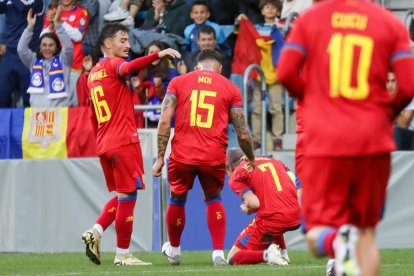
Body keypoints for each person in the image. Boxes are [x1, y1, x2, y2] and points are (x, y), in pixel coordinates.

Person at [277, 0, 414, 275]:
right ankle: (346, 245)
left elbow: (285, 72)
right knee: (365, 235)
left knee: (317, 236)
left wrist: (317, 101)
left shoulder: (310, 20)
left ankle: (338, 243)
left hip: (326, 140)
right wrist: (383, 113)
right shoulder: (388, 22)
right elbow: (409, 84)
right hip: (373, 140)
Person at [81, 22, 181, 266]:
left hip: (105, 141)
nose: (127, 45)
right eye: (122, 40)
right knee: (128, 196)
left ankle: (95, 231)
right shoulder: (114, 64)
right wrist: (157, 54)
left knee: (124, 194)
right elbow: (128, 67)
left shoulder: (93, 73)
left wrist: (101, 140)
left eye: (127, 41)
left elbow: (92, 113)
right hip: (123, 140)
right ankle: (122, 254)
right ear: (108, 44)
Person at [152, 49, 255, 266]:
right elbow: (243, 133)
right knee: (214, 198)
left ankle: (175, 250)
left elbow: (164, 121)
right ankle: (218, 253)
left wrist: (160, 156)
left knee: (177, 198)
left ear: (196, 67)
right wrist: (250, 157)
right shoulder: (230, 87)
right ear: (219, 69)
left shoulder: (178, 82)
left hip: (182, 155)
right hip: (213, 156)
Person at [225, 147, 301, 266]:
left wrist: (247, 209)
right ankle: (283, 254)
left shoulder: (237, 174)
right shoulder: (274, 161)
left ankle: (267, 255)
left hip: (273, 219)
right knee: (272, 212)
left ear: (229, 167)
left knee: (232, 258)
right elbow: (296, 180)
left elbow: (254, 204)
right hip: (296, 216)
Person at [17, 8, 73, 108]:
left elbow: (68, 48)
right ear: (40, 47)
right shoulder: (33, 61)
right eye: (44, 45)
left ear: (57, 47)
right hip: (38, 115)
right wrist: (29, 28)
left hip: (60, 114)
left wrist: (59, 27)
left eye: (51, 45)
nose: (47, 48)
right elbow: (21, 49)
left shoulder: (64, 61)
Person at [251, 0, 284, 151]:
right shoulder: (255, 28)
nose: (270, 10)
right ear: (262, 11)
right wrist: (241, 22)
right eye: (267, 7)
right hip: (258, 72)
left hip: (276, 73)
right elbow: (244, 37)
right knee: (257, 107)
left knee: (276, 107)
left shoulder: (282, 27)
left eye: (273, 7)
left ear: (278, 11)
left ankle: (277, 138)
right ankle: (256, 139)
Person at [42, 0, 89, 106]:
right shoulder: (51, 12)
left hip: (74, 65)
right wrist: (51, 25)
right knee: (54, 102)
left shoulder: (82, 13)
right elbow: (43, 38)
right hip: (53, 65)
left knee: (73, 102)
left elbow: (78, 36)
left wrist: (61, 22)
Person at [0, 0, 44, 108]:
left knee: (29, 100)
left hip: (28, 57)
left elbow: (24, 8)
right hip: (9, 55)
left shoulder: (38, 2)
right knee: (2, 96)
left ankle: (29, 124)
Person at [135, 40, 180, 128]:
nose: (154, 55)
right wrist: (138, 89)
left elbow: (172, 96)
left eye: (157, 52)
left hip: (166, 116)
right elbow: (142, 99)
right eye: (151, 52)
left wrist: (159, 87)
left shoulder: (171, 71)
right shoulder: (142, 72)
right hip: (147, 116)